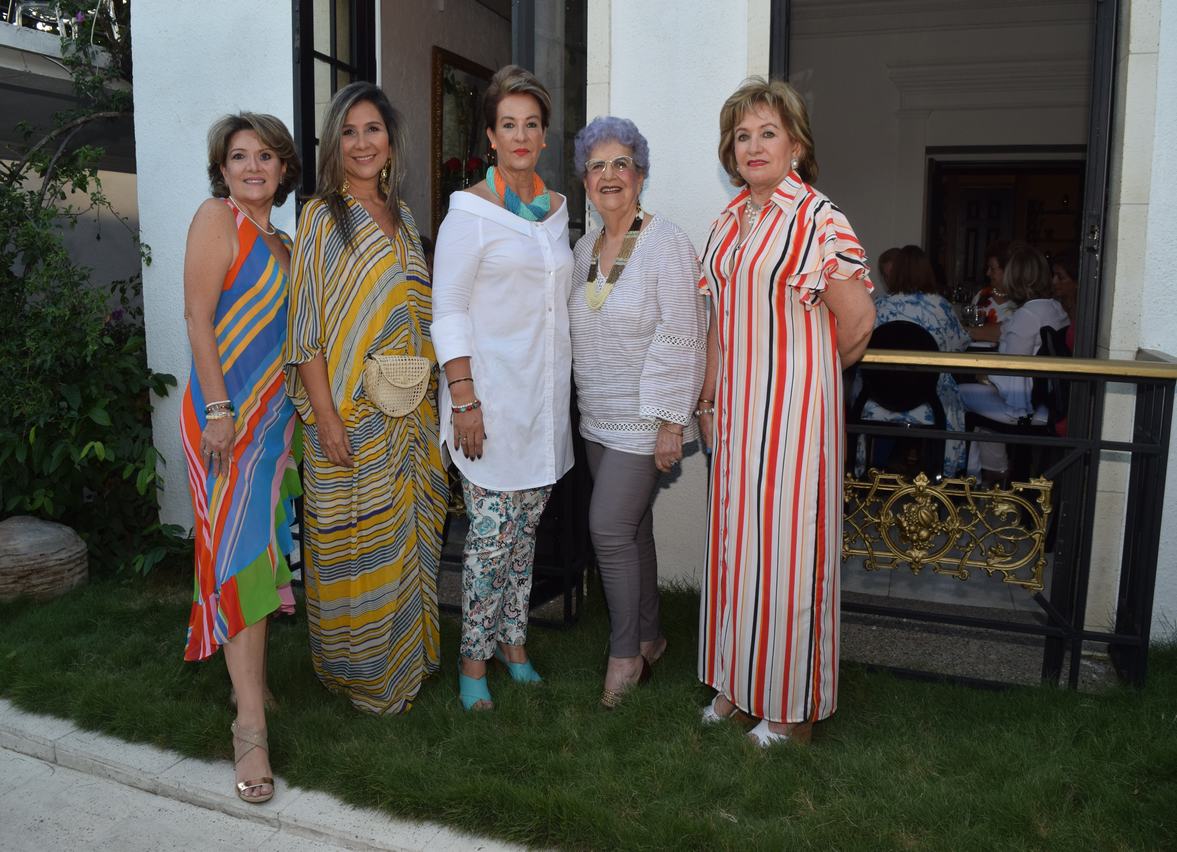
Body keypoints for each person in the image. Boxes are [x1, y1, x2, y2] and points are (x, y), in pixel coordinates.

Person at [696, 78, 875, 746]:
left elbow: (858, 322)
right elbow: (720, 323)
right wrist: (709, 398)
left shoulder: (818, 219)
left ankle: (793, 711)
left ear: (795, 145)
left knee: (790, 560)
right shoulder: (727, 221)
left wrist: (805, 382)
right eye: (742, 135)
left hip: (795, 420)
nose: (753, 145)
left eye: (767, 132)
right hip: (736, 416)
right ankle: (740, 687)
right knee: (737, 552)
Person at [285, 82, 448, 714]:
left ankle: (407, 659)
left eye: (372, 129)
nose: (361, 143)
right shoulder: (321, 218)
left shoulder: (403, 217)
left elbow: (418, 314)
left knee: (407, 537)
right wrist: (326, 418)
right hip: (349, 416)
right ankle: (363, 675)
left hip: (408, 416)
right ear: (334, 143)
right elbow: (306, 330)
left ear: (390, 140)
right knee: (353, 546)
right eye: (348, 132)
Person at [432, 65, 574, 711]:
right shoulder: (469, 213)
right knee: (489, 544)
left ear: (543, 136)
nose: (520, 136)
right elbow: (448, 313)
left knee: (524, 539)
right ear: (490, 136)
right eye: (508, 124)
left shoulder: (555, 212)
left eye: (531, 124)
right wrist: (463, 400)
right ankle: (472, 662)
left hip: (541, 405)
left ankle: (513, 644)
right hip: (485, 403)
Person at [180, 112, 301, 803]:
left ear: (283, 168)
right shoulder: (215, 220)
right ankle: (249, 728)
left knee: (259, 557)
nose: (253, 167)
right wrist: (220, 411)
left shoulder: (285, 243)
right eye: (238, 156)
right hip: (224, 422)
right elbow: (198, 319)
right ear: (222, 170)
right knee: (237, 561)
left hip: (274, 428)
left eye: (265, 156)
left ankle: (249, 688)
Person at [568, 116, 707, 709]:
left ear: (641, 175)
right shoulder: (583, 249)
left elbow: (686, 333)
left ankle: (625, 656)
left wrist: (673, 422)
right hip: (596, 417)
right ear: (585, 181)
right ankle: (651, 636)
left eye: (620, 164)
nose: (609, 175)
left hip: (646, 420)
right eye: (597, 166)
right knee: (633, 528)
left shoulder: (666, 242)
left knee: (607, 529)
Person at [958, 243, 1071, 478]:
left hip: (1023, 405)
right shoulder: (1054, 308)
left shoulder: (1027, 315)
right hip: (1047, 399)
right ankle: (989, 475)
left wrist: (985, 376)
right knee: (979, 398)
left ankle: (970, 475)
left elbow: (1011, 369)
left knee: (955, 394)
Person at [856, 245, 970, 476]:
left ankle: (865, 474)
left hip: (880, 397)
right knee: (950, 387)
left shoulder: (878, 307)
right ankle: (942, 476)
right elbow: (959, 346)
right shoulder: (941, 307)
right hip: (930, 399)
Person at [970, 240, 1016, 343]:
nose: (987, 273)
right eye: (988, 268)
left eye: (992, 268)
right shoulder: (981, 295)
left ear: (1008, 270)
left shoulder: (1020, 301)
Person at [1051, 251, 1079, 351]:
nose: (1054, 281)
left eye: (1061, 277)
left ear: (1076, 282)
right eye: (1053, 275)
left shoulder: (1085, 312)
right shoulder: (1052, 306)